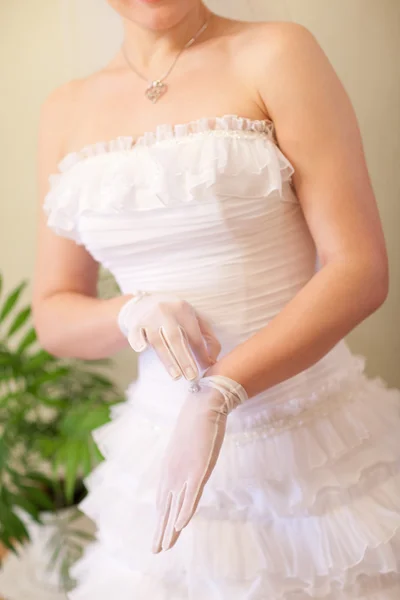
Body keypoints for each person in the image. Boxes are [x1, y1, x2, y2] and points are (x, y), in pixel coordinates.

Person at [33, 1, 400, 598]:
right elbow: (53, 312)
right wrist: (130, 311)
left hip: (315, 453)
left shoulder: (278, 52)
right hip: (157, 452)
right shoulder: (64, 108)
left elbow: (359, 269)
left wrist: (221, 389)